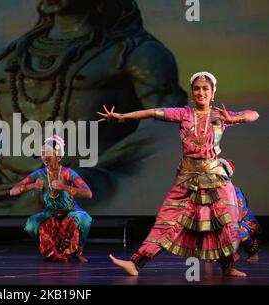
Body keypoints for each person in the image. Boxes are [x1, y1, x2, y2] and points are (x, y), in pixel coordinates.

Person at [0, 0, 187, 213]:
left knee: (51, 196)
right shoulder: (4, 58)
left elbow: (170, 126)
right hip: (6, 187)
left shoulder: (135, 53)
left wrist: (110, 169)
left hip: (90, 182)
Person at [98, 72, 259, 277]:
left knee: (227, 222)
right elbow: (152, 112)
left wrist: (238, 118)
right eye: (197, 89)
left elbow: (254, 114)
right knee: (165, 221)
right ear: (192, 93)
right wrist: (122, 117)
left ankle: (228, 266)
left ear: (213, 93)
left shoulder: (220, 115)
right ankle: (136, 264)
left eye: (205, 89)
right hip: (187, 178)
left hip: (216, 177)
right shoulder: (184, 114)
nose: (201, 92)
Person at [10, 135, 92, 262]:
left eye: (48, 153)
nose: (45, 156)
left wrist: (64, 187)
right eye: (42, 153)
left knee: (84, 219)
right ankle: (53, 253)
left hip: (70, 211)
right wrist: (32, 185)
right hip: (50, 212)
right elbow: (13, 191)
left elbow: (88, 193)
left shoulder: (68, 173)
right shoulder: (39, 174)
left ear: (58, 156)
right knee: (32, 223)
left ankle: (76, 252)